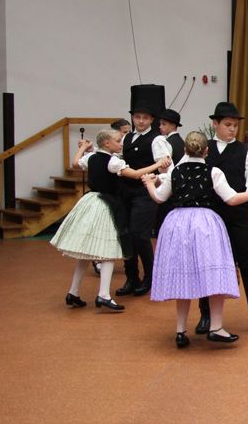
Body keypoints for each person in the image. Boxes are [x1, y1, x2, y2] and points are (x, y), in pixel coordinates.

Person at [143, 132, 248, 348]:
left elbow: (159, 197)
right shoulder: (213, 171)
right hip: (205, 224)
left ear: (185, 150)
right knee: (213, 271)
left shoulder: (175, 171)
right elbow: (231, 199)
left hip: (177, 224)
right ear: (206, 151)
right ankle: (216, 327)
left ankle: (181, 331)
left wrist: (148, 183)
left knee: (184, 274)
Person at [51, 129, 164, 312]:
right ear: (107, 143)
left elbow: (75, 163)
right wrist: (157, 164)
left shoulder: (92, 158)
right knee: (108, 251)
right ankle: (103, 295)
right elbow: (136, 174)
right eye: (118, 141)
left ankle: (73, 292)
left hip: (90, 201)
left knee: (85, 253)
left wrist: (84, 148)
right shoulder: (112, 162)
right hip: (106, 204)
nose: (121, 143)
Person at [196, 102, 248, 337]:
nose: (232, 129)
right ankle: (205, 314)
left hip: (238, 215)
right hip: (208, 216)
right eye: (227, 124)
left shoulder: (244, 151)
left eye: (235, 125)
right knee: (207, 264)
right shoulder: (203, 149)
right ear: (215, 124)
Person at [116, 85, 172, 298]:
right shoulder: (127, 138)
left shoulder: (157, 139)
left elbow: (165, 166)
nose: (141, 121)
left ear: (152, 120)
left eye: (145, 118)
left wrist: (156, 179)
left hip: (144, 193)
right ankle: (132, 277)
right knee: (126, 235)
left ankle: (150, 276)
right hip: (125, 192)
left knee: (140, 235)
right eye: (137, 117)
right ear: (132, 118)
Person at [154, 108, 184, 233]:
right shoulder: (182, 142)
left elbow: (163, 168)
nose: (160, 127)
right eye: (160, 124)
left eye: (164, 124)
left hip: (169, 185)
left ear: (173, 125)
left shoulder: (166, 143)